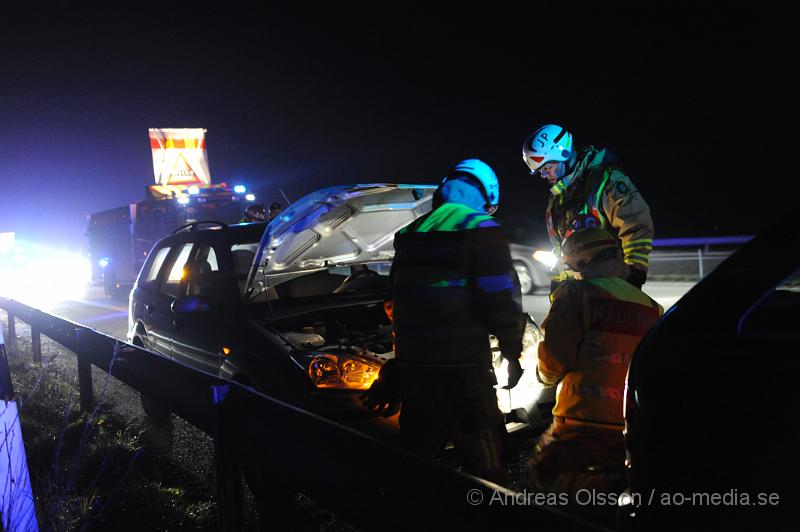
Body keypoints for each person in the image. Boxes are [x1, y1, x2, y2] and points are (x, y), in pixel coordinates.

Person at [364, 159, 526, 484]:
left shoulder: (411, 233)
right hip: (464, 372)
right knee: (486, 468)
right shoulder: (480, 227)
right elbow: (498, 300)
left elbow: (394, 303)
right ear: (485, 193)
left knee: (415, 462)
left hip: (416, 370)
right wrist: (512, 351)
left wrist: (402, 361)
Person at [526, 218, 662, 523]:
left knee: (540, 480)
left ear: (581, 262)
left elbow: (554, 360)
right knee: (610, 495)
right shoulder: (650, 307)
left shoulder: (576, 294)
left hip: (580, 422)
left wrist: (542, 376)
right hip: (629, 425)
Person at [522, 124, 654, 289]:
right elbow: (560, 250)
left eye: (547, 168)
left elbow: (636, 224)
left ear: (564, 155)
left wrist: (634, 271)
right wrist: (559, 284)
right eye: (540, 171)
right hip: (578, 293)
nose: (544, 175)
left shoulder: (605, 180)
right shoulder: (556, 200)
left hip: (611, 287)